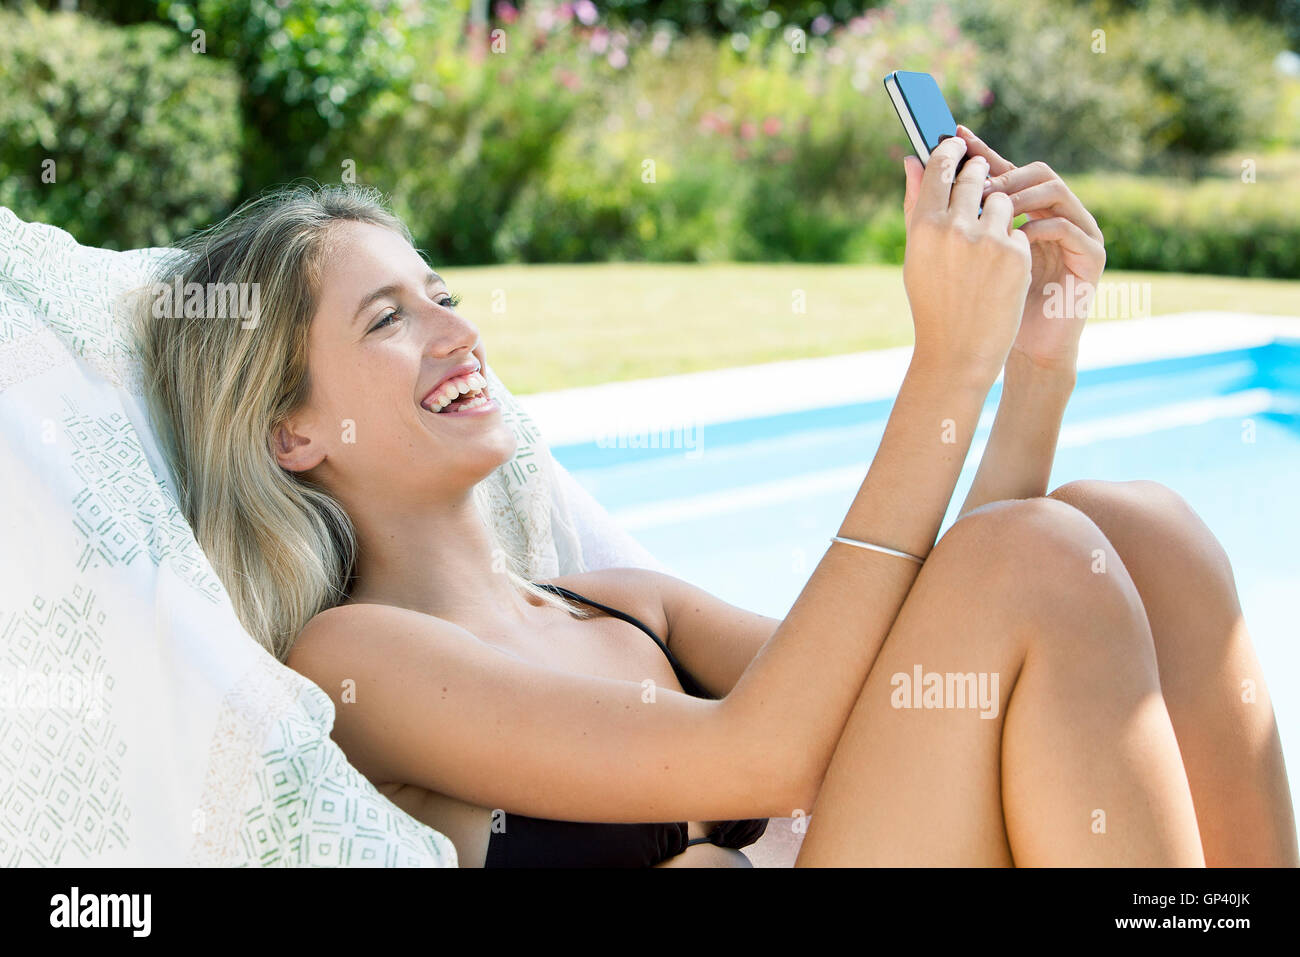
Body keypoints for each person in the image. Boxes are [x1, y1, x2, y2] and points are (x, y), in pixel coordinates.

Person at [130, 127, 1298, 867]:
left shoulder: (621, 605)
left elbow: (938, 658)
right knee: (1043, 551)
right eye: (388, 319)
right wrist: (941, 364)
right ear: (289, 432)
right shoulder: (360, 656)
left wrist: (1035, 358)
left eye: (440, 293)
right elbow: (763, 756)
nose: (454, 329)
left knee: (1134, 526)